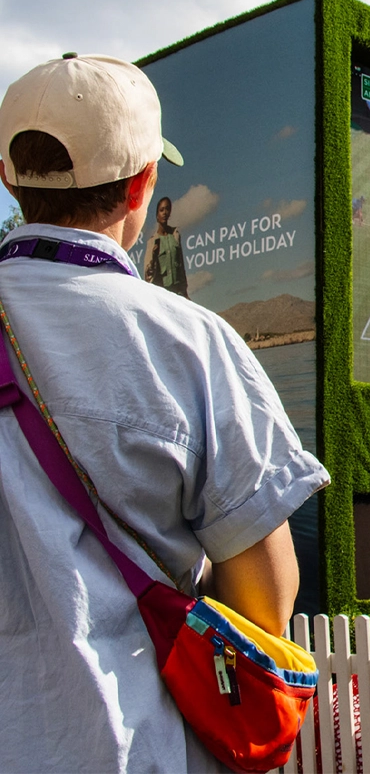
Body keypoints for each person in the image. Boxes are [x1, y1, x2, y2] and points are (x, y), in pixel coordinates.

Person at [0, 54, 330, 773]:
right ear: (145, 183)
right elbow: (265, 604)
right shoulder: (189, 341)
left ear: (9, 180)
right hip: (129, 747)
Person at [143, 194, 189, 297]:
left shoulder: (175, 235)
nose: (164, 213)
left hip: (178, 293)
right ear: (157, 215)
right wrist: (154, 258)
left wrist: (185, 291)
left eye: (167, 209)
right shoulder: (152, 241)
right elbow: (147, 276)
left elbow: (181, 266)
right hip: (163, 294)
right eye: (161, 210)